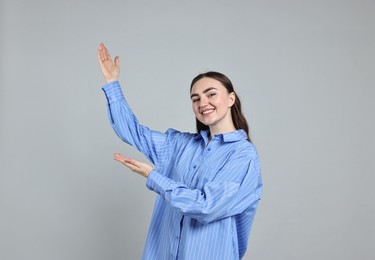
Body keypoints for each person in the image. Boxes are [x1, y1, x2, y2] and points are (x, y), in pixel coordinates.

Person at [97, 43, 263, 260]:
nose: (203, 102)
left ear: (231, 98)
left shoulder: (243, 155)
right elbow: (134, 132)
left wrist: (154, 177)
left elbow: (207, 206)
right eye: (195, 98)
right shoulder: (179, 145)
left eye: (211, 94)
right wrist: (112, 83)